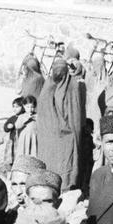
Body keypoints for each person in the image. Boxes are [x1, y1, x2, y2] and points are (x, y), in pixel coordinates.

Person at [36, 56, 87, 192]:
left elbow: (75, 113)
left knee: (65, 163)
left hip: (66, 135)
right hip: (49, 135)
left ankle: (65, 188)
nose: (58, 73)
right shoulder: (48, 86)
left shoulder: (73, 86)